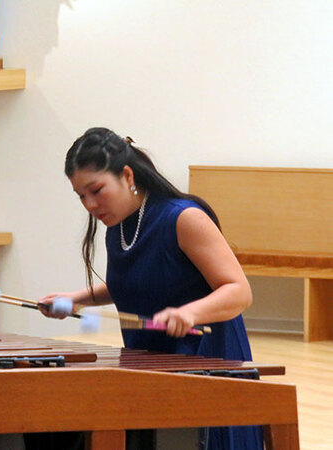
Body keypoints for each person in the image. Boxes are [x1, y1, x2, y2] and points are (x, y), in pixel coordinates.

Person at [39, 127, 263, 450]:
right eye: (80, 196)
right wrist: (77, 299)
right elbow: (137, 282)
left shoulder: (184, 219)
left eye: (96, 190)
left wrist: (190, 312)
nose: (89, 204)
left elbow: (239, 290)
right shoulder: (116, 227)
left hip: (206, 368)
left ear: (127, 175)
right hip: (153, 370)